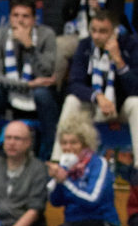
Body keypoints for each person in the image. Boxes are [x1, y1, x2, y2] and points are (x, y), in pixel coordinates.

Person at [0, 0, 58, 160]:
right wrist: (27, 85)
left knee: (43, 95)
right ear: (9, 18)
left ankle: (48, 155)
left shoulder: (46, 35)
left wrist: (30, 47)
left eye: (25, 16)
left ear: (34, 20)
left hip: (38, 91)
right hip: (9, 89)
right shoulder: (0, 35)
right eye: (15, 15)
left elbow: (46, 71)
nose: (20, 21)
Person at [55, 10, 138, 161]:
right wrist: (97, 96)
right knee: (71, 101)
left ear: (115, 31)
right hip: (94, 106)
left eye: (103, 31)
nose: (96, 36)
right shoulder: (85, 45)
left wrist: (119, 61)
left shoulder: (130, 45)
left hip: (120, 106)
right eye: (93, 30)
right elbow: (74, 83)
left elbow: (135, 88)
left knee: (136, 103)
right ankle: (58, 161)